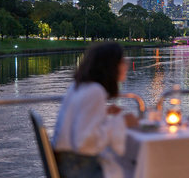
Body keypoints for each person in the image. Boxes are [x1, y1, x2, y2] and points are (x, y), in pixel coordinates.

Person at [52, 42, 138, 178]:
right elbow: (84, 143)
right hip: (80, 167)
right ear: (110, 66)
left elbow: (78, 121)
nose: (126, 65)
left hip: (67, 163)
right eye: (122, 61)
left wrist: (104, 112)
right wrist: (122, 122)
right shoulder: (95, 92)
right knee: (141, 171)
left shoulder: (78, 86)